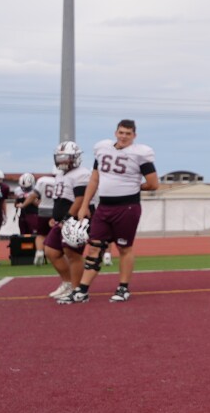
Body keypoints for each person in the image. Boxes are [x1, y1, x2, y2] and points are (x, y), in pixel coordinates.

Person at [64, 120, 159, 303]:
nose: (124, 136)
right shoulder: (102, 148)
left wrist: (134, 186)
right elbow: (94, 180)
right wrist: (84, 206)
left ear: (134, 136)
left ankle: (123, 288)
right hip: (104, 207)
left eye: (128, 134)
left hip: (127, 207)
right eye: (121, 132)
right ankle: (82, 290)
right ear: (115, 132)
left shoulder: (140, 154)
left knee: (124, 247)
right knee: (94, 247)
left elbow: (154, 184)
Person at [45, 142, 91, 301]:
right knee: (51, 251)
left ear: (76, 158)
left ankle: (77, 290)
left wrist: (67, 217)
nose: (62, 161)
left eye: (66, 158)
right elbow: (61, 198)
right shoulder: (60, 174)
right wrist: (55, 216)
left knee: (72, 255)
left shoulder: (82, 173)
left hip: (75, 219)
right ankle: (68, 283)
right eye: (60, 158)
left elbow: (80, 199)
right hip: (62, 219)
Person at [32, 170, 57, 266]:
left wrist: (25, 204)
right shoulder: (63, 180)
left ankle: (39, 252)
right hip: (56, 210)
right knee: (57, 234)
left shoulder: (42, 180)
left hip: (43, 210)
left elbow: (34, 195)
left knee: (41, 235)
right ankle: (54, 255)